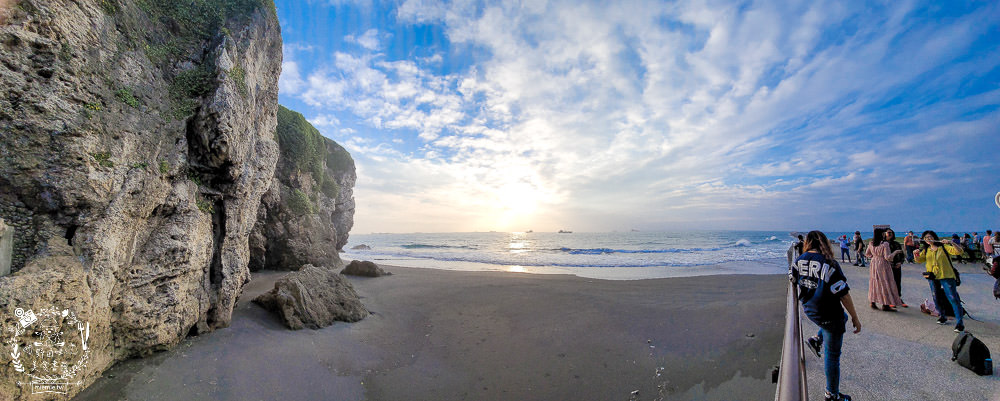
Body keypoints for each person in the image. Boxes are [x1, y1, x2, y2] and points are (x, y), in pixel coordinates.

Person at [790, 231, 860, 401]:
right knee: (832, 355)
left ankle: (815, 338)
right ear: (824, 243)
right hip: (829, 315)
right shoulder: (830, 263)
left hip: (810, 310)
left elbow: (792, 278)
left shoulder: (798, 261)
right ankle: (832, 395)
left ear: (808, 243)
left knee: (841, 318)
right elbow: (843, 294)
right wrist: (855, 318)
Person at [914, 231, 965, 332]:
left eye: (930, 237)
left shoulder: (943, 247)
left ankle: (960, 323)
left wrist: (951, 243)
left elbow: (959, 252)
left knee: (953, 298)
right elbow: (920, 260)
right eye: (926, 238)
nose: (928, 239)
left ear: (934, 237)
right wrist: (915, 255)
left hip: (946, 276)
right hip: (932, 277)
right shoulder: (926, 249)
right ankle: (942, 316)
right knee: (936, 298)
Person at [866, 228, 903, 311]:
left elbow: (867, 254)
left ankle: (873, 302)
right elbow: (888, 257)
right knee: (885, 282)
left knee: (874, 282)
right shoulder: (884, 244)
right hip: (883, 264)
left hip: (874, 263)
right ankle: (885, 305)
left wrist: (875, 257)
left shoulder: (871, 243)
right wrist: (896, 252)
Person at [885, 229, 907, 307]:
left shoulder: (897, 244)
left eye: (891, 233)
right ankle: (890, 300)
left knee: (897, 282)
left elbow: (902, 254)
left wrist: (900, 262)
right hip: (887, 266)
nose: (890, 234)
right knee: (888, 283)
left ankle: (898, 298)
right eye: (888, 233)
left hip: (897, 266)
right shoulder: (884, 244)